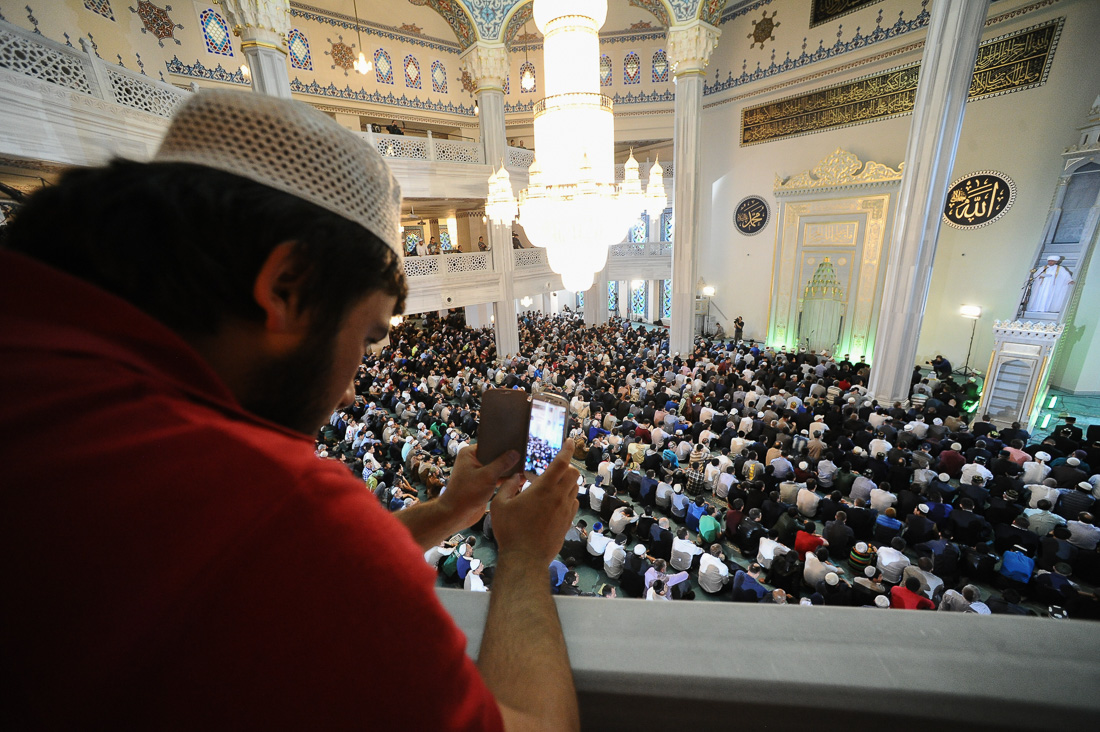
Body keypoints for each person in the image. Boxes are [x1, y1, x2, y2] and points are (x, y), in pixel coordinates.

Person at [0, 91, 582, 730]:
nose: (352, 391)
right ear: (287, 288)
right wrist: (525, 555)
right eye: (366, 336)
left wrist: (447, 511)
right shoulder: (267, 504)